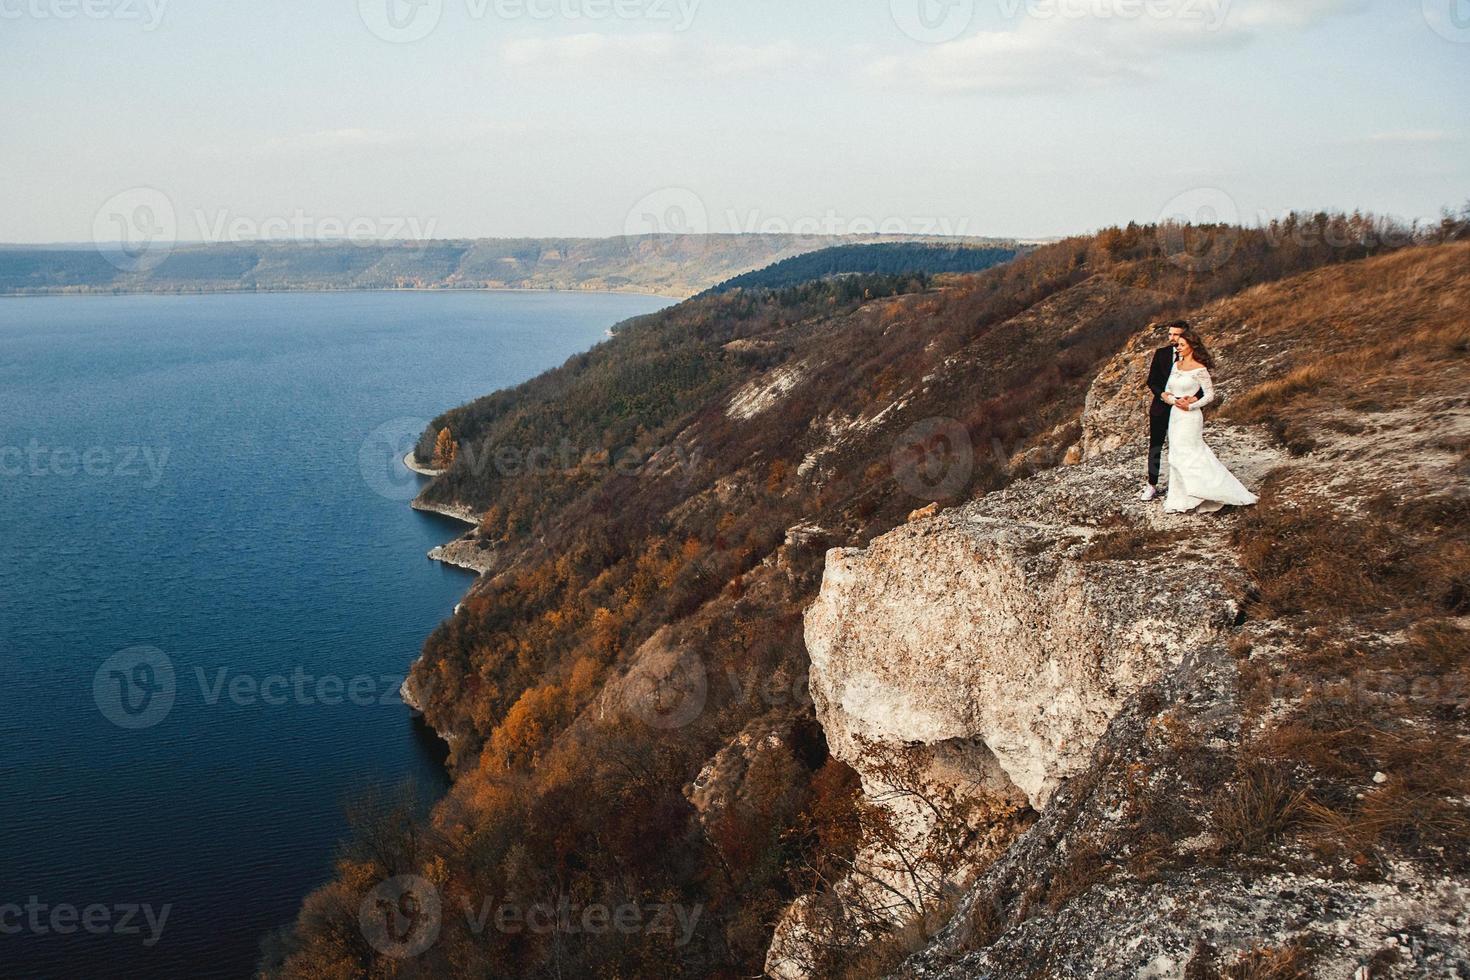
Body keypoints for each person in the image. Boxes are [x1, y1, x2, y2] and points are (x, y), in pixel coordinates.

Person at [1159, 327, 1259, 514]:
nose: (1178, 348)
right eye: (1178, 345)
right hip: (1175, 415)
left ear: (1191, 347)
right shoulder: (1176, 365)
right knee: (1176, 455)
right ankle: (1181, 499)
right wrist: (1174, 400)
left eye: (1181, 345)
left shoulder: (1200, 369)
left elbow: (1210, 395)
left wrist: (1191, 405)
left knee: (1193, 453)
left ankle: (1208, 490)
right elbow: (1166, 391)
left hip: (1190, 417)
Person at [1138, 321, 1187, 501]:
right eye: (1170, 334)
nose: (1172, 338)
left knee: (1181, 447)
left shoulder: (1192, 356)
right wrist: (1163, 395)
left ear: (1185, 336)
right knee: (1155, 447)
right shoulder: (1162, 354)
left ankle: (1182, 484)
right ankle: (1151, 485)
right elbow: (1152, 381)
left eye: (1176, 334)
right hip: (1161, 408)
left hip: (1183, 410)